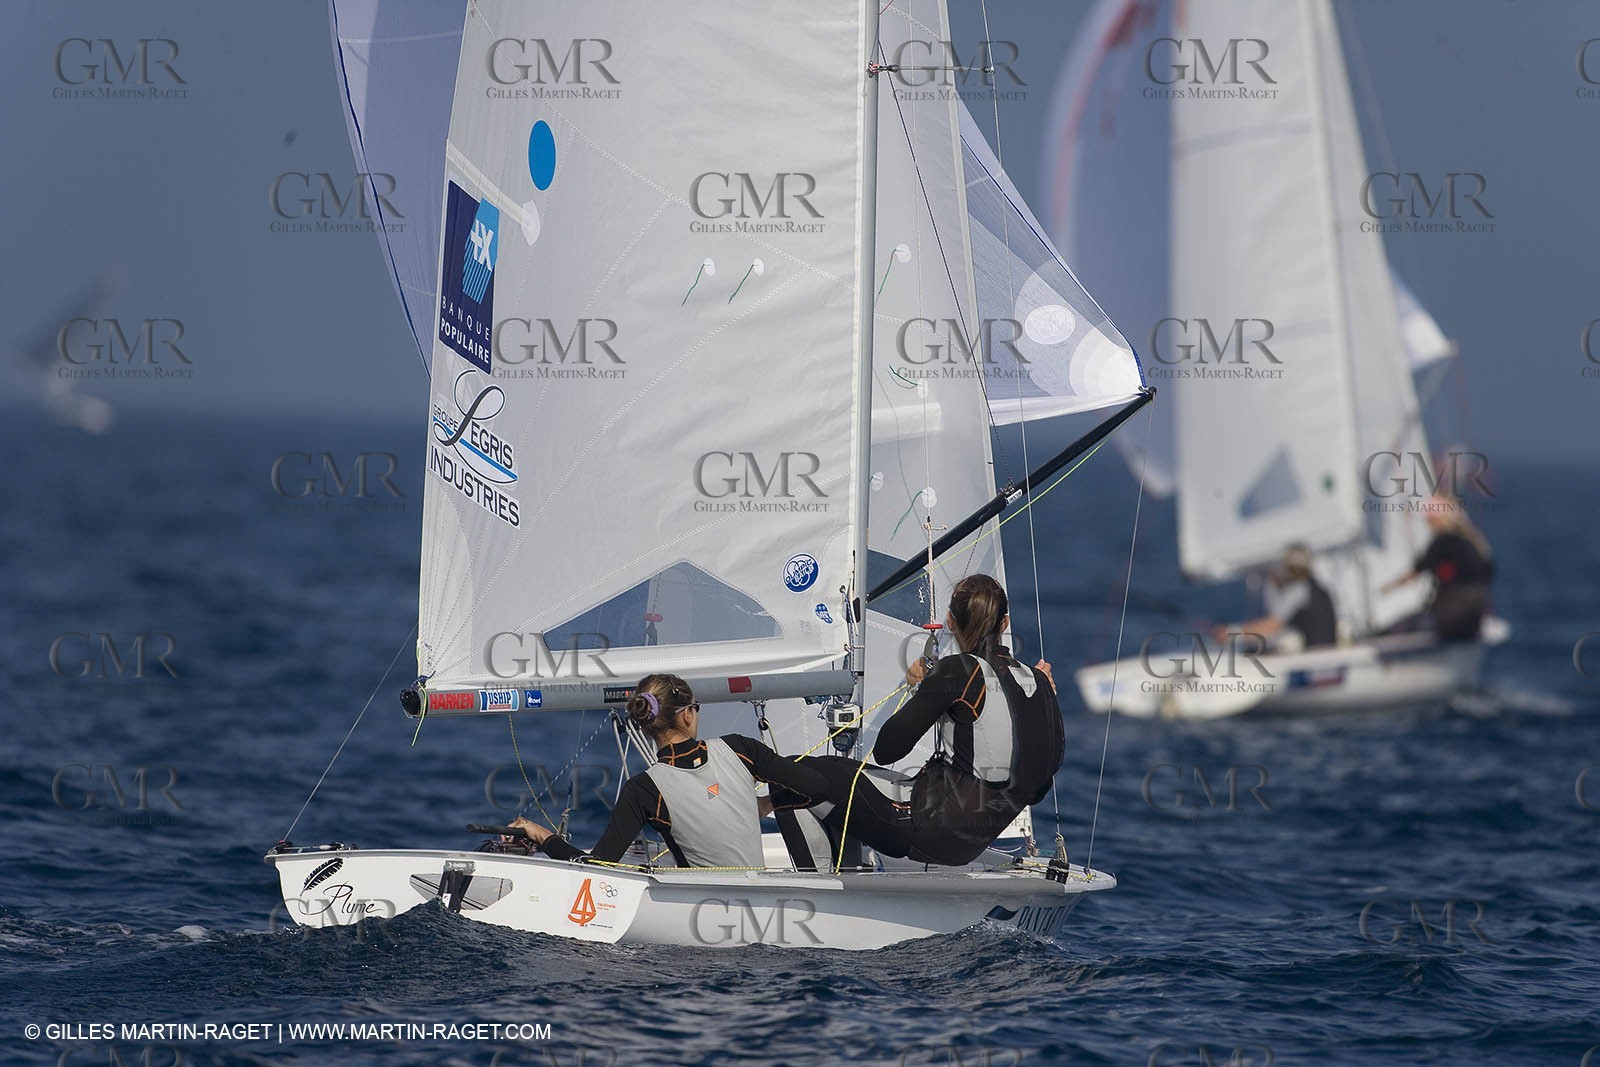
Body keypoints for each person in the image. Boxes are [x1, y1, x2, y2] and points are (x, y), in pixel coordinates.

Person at [777, 574, 1064, 868]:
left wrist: (925, 688)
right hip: (974, 842)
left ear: (950, 622)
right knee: (837, 771)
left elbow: (888, 751)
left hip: (932, 833)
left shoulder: (957, 671)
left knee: (789, 775)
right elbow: (1038, 781)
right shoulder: (1038, 679)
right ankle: (846, 874)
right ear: (1004, 624)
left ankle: (824, 896)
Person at [505, 674, 829, 869]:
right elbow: (817, 787)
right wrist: (773, 799)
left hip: (700, 924)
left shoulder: (644, 789)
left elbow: (597, 866)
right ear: (688, 715)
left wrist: (542, 835)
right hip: (767, 909)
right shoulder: (743, 749)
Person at [1381, 494, 1494, 641]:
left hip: (1455, 612)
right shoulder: (1474, 543)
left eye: (1429, 518)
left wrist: (1386, 589)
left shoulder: (1443, 542)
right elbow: (1486, 573)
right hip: (1475, 615)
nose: (1427, 522)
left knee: (1402, 627)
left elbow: (1417, 571)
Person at [1212, 542, 1337, 651]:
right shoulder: (1317, 588)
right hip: (1325, 652)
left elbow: (1271, 627)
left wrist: (1231, 634)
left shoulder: (1299, 590)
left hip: (1313, 658)